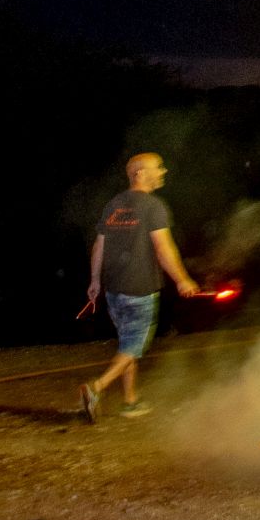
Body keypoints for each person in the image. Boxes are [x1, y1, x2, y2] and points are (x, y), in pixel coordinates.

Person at [79, 151, 203, 419]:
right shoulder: (153, 206)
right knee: (132, 347)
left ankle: (130, 401)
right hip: (139, 290)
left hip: (114, 290)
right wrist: (182, 279)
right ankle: (96, 388)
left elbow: (99, 245)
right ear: (139, 173)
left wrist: (95, 280)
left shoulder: (114, 205)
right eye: (158, 168)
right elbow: (163, 248)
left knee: (127, 345)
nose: (163, 172)